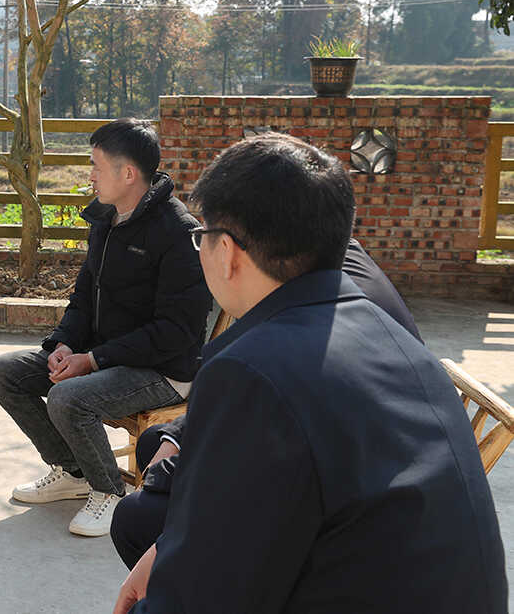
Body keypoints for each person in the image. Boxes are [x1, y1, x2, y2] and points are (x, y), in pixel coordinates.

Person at [114, 133, 506, 614]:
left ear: (228, 252)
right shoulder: (390, 333)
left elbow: (202, 597)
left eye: (203, 238)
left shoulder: (249, 370)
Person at [108, 238, 422, 569]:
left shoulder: (300, 317)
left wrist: (164, 483)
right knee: (156, 442)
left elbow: (247, 451)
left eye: (208, 237)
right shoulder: (324, 261)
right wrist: (173, 441)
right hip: (353, 455)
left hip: (354, 497)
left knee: (136, 517)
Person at [0, 118, 211, 536]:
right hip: (105, 356)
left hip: (163, 370)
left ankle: (109, 492)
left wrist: (93, 360)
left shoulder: (178, 233)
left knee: (67, 398)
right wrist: (64, 344)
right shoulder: (106, 219)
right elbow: (84, 296)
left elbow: (175, 331)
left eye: (97, 166)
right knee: (4, 372)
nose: (90, 175)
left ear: (128, 174)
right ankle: (72, 471)